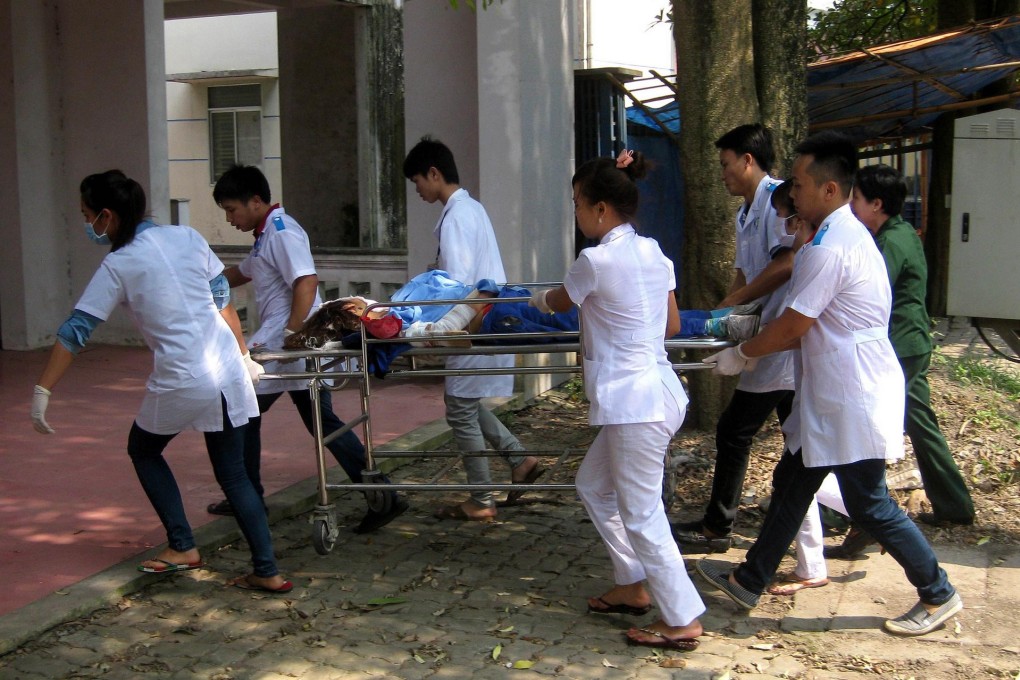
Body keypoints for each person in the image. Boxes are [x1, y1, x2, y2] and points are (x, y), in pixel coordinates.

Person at [695, 132, 963, 637]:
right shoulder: (837, 236)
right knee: (793, 481)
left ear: (830, 190)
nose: (791, 194)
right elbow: (808, 325)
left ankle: (938, 591)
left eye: (798, 185)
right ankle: (750, 579)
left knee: (869, 502)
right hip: (836, 390)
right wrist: (749, 345)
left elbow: (796, 325)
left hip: (851, 394)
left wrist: (742, 354)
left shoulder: (831, 246)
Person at [30, 170, 290, 593]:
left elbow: (75, 330)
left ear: (107, 216)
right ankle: (268, 571)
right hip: (223, 366)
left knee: (143, 449)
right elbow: (222, 297)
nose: (86, 224)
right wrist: (242, 356)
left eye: (86, 215)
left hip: (184, 374)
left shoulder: (118, 263)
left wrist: (43, 390)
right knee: (235, 475)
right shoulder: (185, 237)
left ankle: (182, 545)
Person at [529, 149, 704, 650]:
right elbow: (670, 325)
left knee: (642, 511)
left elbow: (558, 302)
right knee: (593, 484)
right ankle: (630, 583)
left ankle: (683, 616)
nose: (577, 213)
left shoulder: (595, 259)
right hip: (658, 392)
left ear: (601, 208)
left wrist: (528, 298)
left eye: (578, 204)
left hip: (635, 404)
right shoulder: (654, 252)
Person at [211, 165, 407, 534]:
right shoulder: (267, 234)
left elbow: (306, 281)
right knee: (321, 421)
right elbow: (244, 271)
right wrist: (209, 281)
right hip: (290, 343)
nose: (229, 218)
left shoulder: (282, 233)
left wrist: (293, 333)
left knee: (240, 407)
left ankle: (246, 496)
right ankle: (383, 494)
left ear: (256, 201)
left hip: (284, 344)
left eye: (232, 209)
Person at [403, 136, 543, 520]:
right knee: (462, 403)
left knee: (460, 407)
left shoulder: (458, 217)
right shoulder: (469, 209)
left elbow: (459, 283)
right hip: (483, 317)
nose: (417, 190)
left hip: (474, 320)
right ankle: (519, 460)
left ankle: (482, 499)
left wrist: (435, 326)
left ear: (434, 173)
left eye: (418, 181)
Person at [673, 123, 796, 553]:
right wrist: (721, 320)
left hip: (782, 338)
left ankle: (718, 526)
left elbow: (787, 264)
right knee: (800, 446)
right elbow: (744, 275)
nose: (722, 173)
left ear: (748, 160)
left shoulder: (780, 201)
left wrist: (729, 310)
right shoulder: (744, 212)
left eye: (726, 164)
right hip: (766, 336)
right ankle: (818, 539)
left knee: (735, 431)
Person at [849, 163, 975, 528]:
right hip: (909, 342)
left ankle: (861, 509)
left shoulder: (890, 242)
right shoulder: (901, 233)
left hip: (901, 347)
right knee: (915, 424)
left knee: (882, 424)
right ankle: (952, 504)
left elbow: (867, 293)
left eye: (856, 199)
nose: (852, 207)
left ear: (876, 204)